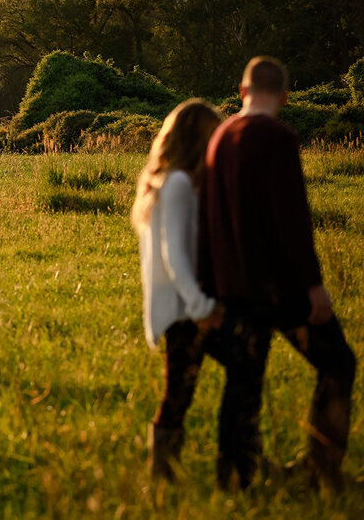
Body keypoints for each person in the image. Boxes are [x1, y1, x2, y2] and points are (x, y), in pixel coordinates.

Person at [198, 56, 356, 490]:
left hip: (232, 287)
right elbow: (293, 220)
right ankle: (322, 468)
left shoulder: (220, 137)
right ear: (285, 97)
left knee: (243, 382)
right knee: (339, 363)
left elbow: (208, 218)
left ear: (242, 91)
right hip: (279, 289)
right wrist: (314, 288)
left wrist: (208, 287)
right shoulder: (278, 137)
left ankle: (233, 477)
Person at [131, 99, 223, 480]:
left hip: (180, 309)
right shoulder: (180, 184)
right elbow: (174, 259)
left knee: (181, 391)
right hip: (184, 311)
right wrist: (202, 306)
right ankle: (165, 473)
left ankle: (167, 471)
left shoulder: (168, 180)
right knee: (179, 393)